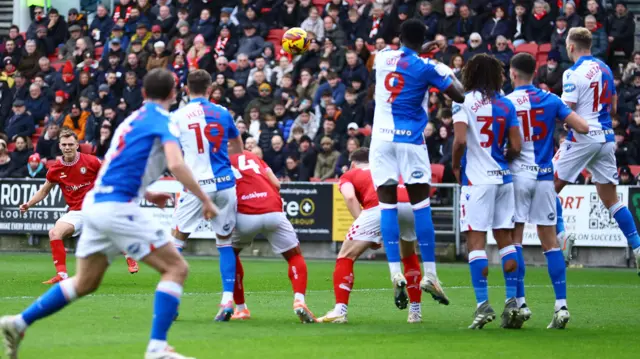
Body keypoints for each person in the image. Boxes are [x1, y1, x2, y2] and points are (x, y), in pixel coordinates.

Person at [0, 68, 217, 359]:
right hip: (117, 207)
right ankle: (157, 348)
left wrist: (148, 193)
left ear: (143, 94)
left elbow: (120, 164)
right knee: (176, 268)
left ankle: (19, 322)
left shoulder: (131, 120)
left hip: (95, 206)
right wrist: (205, 199)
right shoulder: (163, 120)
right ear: (173, 94)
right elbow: (176, 165)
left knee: (84, 283)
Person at [370, 19, 463, 308]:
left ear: (398, 37)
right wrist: (445, 68)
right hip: (410, 141)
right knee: (420, 206)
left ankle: (395, 271)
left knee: (387, 205)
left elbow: (405, 55)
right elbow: (459, 94)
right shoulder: (429, 67)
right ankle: (431, 274)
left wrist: (421, 49)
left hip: (381, 141)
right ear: (423, 40)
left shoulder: (382, 57)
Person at [506, 53, 589, 329]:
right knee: (550, 243)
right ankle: (561, 306)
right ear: (535, 73)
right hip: (544, 177)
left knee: (514, 240)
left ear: (513, 73)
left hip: (518, 176)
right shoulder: (551, 99)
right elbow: (583, 126)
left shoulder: (507, 102)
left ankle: (520, 303)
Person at [553, 27, 640, 273]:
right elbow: (612, 108)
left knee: (546, 188)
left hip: (582, 136)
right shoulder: (605, 69)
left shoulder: (572, 73)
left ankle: (562, 238)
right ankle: (637, 247)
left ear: (571, 47)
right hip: (606, 138)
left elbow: (565, 111)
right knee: (611, 199)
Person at [451, 53, 522, 329]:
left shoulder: (463, 102)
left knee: (476, 242)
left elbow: (459, 140)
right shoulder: (506, 104)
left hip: (477, 181)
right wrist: (503, 160)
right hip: (504, 180)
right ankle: (513, 302)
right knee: (505, 239)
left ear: (470, 74)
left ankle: (482, 305)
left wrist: (456, 165)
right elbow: (515, 145)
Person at [16, 126, 140, 284]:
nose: (67, 147)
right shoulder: (55, 169)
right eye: (64, 145)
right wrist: (28, 204)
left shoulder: (91, 161)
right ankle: (62, 274)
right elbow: (44, 191)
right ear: (60, 146)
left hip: (96, 207)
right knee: (54, 233)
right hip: (77, 212)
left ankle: (129, 254)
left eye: (70, 144)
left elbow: (109, 175)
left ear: (76, 145)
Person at [317, 147, 424, 323]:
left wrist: (368, 232)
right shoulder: (387, 168)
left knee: (345, 256)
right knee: (409, 256)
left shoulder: (349, 175)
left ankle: (339, 311)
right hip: (409, 205)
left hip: (380, 206)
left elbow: (350, 198)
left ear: (352, 163)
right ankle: (415, 312)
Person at [169, 70, 244, 321]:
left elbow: (170, 153)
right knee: (224, 243)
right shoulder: (223, 113)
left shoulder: (177, 117)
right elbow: (238, 147)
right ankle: (226, 301)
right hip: (224, 183)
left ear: (186, 88)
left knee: (177, 241)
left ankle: (171, 302)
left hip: (196, 185)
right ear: (210, 88)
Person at [228, 150, 315, 323]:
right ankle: (299, 300)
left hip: (246, 213)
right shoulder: (253, 157)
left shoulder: (221, 159)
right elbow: (276, 183)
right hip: (273, 210)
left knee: (230, 255)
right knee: (295, 256)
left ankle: (241, 308)